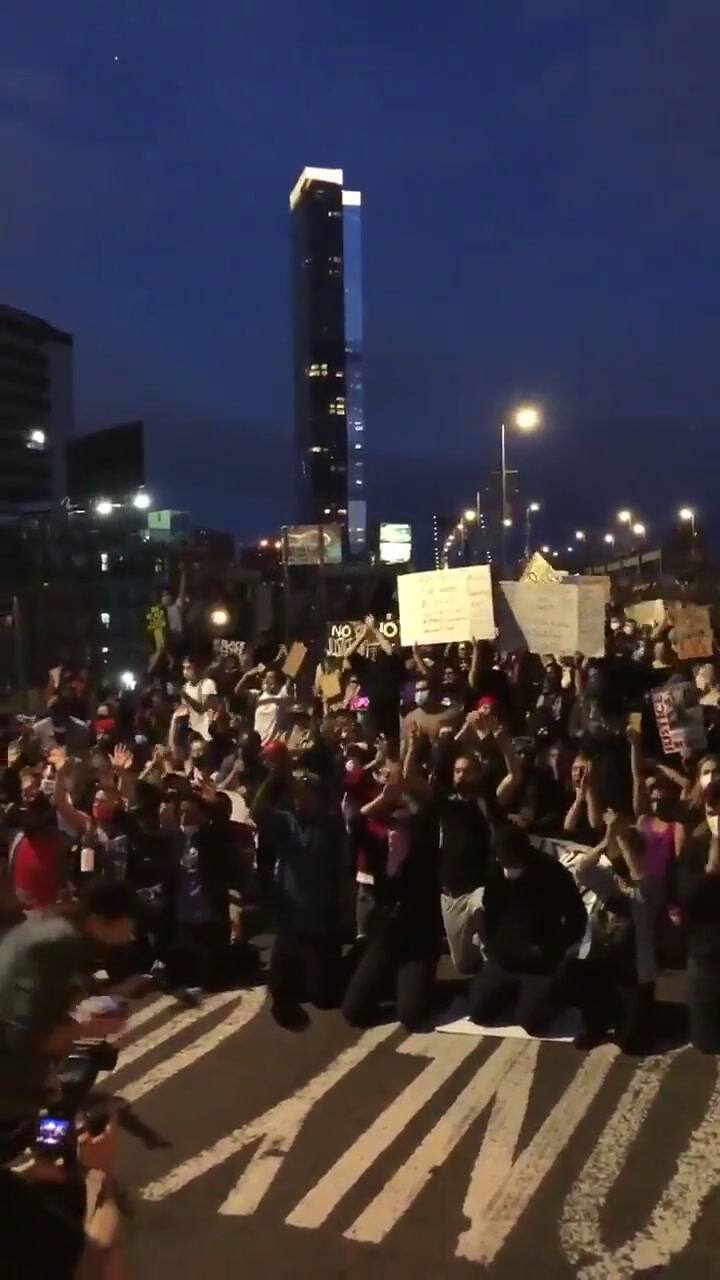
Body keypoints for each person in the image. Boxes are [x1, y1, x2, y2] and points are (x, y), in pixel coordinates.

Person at [0, 879, 136, 1130]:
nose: (130, 935)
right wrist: (84, 1029)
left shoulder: (53, 926)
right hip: (9, 1074)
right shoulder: (61, 946)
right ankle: (47, 1159)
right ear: (98, 921)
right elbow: (25, 1032)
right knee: (79, 1067)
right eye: (127, 926)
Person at [467, 826, 587, 1033]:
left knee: (533, 1022)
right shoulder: (496, 871)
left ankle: (555, 988)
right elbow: (491, 909)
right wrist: (492, 943)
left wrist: (553, 949)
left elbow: (577, 918)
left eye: (507, 859)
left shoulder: (553, 873)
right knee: (479, 1012)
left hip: (539, 963)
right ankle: (513, 992)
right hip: (504, 959)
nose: (502, 863)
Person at [254, 769, 345, 1028]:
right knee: (280, 990)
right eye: (296, 794)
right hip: (290, 924)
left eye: (304, 794)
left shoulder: (330, 826)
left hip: (320, 926)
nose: (298, 799)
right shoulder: (286, 823)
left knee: (324, 998)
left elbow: (339, 868)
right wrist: (275, 776)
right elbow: (259, 810)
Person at [677, 779, 720, 1052]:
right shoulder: (695, 847)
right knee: (706, 1042)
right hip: (706, 954)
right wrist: (714, 855)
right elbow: (687, 896)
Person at [400, 675, 464, 749]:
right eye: (417, 690)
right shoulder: (410, 718)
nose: (420, 694)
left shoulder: (451, 714)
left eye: (424, 689)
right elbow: (403, 748)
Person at [179, 657, 218, 742]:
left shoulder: (208, 684)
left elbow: (202, 710)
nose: (186, 671)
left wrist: (186, 697)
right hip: (192, 733)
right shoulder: (185, 687)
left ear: (197, 669)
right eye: (184, 668)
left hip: (207, 734)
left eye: (189, 668)